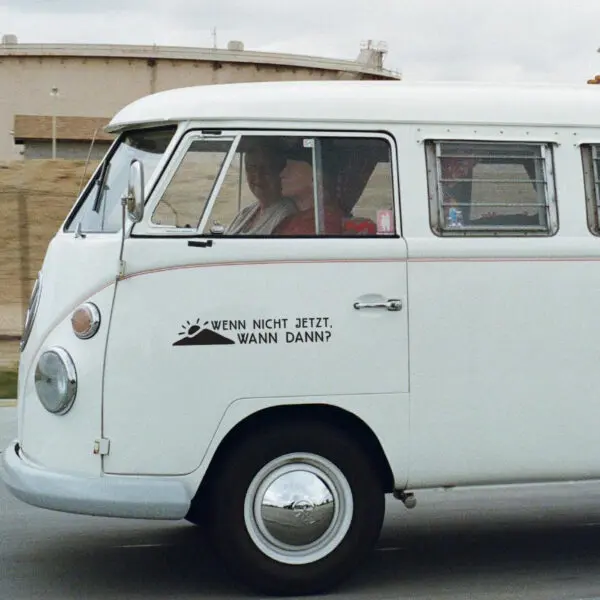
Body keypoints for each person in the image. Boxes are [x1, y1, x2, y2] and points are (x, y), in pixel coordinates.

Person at [225, 142, 297, 235]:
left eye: (267, 169)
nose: (258, 176)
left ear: (281, 173)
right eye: (252, 168)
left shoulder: (286, 215)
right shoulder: (246, 212)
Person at [273, 147, 344, 236]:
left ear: (316, 177)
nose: (282, 174)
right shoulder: (295, 218)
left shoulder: (322, 224)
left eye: (290, 168)